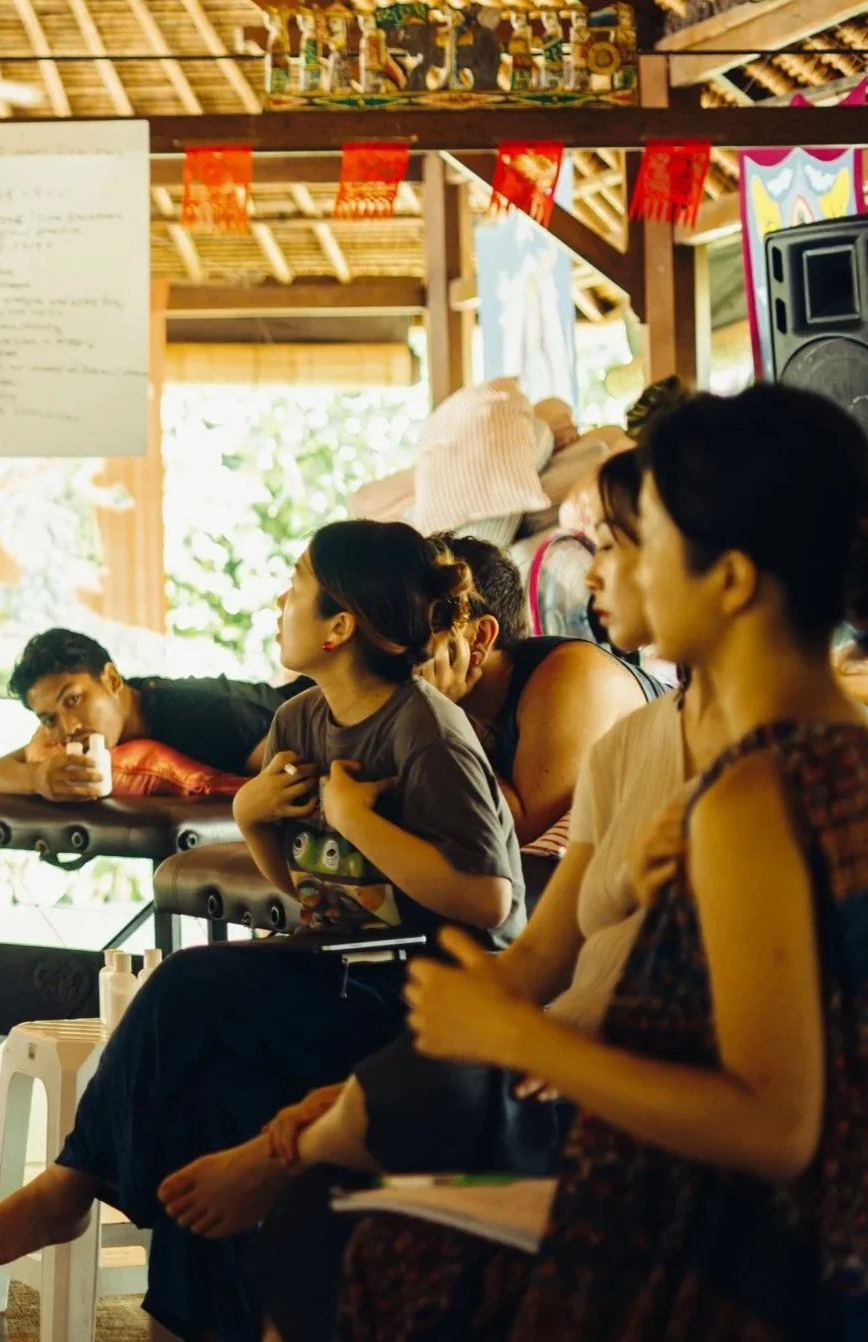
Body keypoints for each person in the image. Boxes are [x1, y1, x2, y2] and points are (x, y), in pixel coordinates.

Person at [146, 451, 727, 1339]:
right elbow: (539, 961)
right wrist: (256, 814)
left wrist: (478, 1057)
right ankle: (205, 1211)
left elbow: (499, 906)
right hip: (540, 1048)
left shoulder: (738, 768)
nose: (591, 569)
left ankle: (293, 1148)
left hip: (615, 1120)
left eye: (616, 543)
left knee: (328, 1169)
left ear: (729, 569)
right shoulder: (631, 748)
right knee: (260, 1113)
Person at [331, 384, 868, 1341]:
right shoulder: (823, 767)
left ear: (733, 580)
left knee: (372, 1251)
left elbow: (773, 1127)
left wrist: (520, 1041)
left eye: (641, 540)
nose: (599, 570)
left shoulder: (756, 795)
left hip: (738, 1262)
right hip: (788, 1232)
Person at [0, 519, 526, 1342]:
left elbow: (486, 900)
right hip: (345, 965)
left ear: (338, 624)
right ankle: (197, 1320)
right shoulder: (300, 722)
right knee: (208, 1093)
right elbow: (315, 895)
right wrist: (253, 820)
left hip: (433, 996)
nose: (278, 597)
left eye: (294, 582)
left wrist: (354, 818)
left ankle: (73, 1183)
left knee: (188, 983)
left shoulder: (424, 733)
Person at [418, 534, 662, 847]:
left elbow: (517, 836)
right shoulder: (460, 700)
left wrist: (438, 716)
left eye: (415, 623)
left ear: (480, 638)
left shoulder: (570, 675)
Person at [0, 627, 311, 801]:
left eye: (73, 699)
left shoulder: (200, 716)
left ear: (110, 679)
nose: (68, 727)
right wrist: (37, 779)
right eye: (49, 718)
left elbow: (300, 772)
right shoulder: (76, 733)